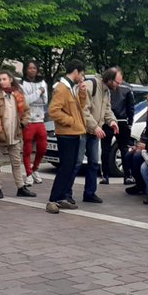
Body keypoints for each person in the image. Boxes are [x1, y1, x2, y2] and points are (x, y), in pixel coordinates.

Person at [46, 59, 89, 214]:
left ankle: (62, 197)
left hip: (74, 132)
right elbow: (54, 110)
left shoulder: (72, 87)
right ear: (76, 72)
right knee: (65, 168)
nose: (82, 77)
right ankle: (52, 199)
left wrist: (83, 92)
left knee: (70, 167)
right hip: (66, 134)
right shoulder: (62, 88)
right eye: (82, 74)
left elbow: (80, 107)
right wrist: (70, 121)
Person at [0, 70, 36, 199]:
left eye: (4, 79)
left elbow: (27, 111)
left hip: (15, 134)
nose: (2, 82)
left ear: (10, 79)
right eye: (0, 80)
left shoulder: (18, 95)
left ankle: (21, 187)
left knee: (16, 162)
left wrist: (23, 123)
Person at [78, 71, 118, 203]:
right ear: (110, 79)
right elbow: (84, 109)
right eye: (117, 82)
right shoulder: (92, 85)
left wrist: (112, 121)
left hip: (94, 132)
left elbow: (107, 110)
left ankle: (90, 193)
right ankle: (65, 193)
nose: (118, 85)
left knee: (94, 163)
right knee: (76, 163)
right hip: (83, 130)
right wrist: (95, 127)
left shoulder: (107, 92)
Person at [103, 67, 136, 184]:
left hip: (108, 121)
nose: (118, 84)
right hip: (121, 120)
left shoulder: (108, 86)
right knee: (123, 149)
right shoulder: (127, 88)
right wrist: (130, 122)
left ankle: (105, 175)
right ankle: (127, 175)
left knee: (106, 148)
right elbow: (130, 107)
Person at [20, 61, 49, 186]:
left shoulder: (43, 82)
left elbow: (44, 101)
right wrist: (38, 93)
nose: (32, 70)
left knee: (42, 148)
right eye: (29, 68)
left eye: (34, 68)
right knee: (27, 149)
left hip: (40, 119)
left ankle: (35, 168)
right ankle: (28, 173)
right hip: (29, 120)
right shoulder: (22, 84)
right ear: (26, 70)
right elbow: (27, 101)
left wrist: (36, 96)